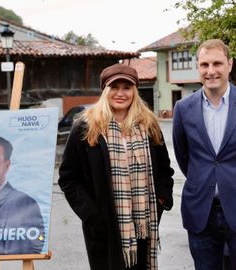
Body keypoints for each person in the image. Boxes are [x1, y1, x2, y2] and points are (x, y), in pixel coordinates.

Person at [58, 63, 174, 270]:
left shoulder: (149, 126)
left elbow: (165, 169)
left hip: (143, 226)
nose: (121, 93)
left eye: (127, 87)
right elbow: (69, 177)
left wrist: (161, 200)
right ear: (105, 90)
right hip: (103, 227)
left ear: (135, 91)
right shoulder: (86, 127)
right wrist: (91, 215)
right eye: (114, 87)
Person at [173, 39, 236, 270]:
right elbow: (183, 155)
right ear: (198, 67)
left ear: (230, 64)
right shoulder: (183, 108)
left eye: (217, 63)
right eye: (204, 65)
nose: (211, 71)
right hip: (200, 211)